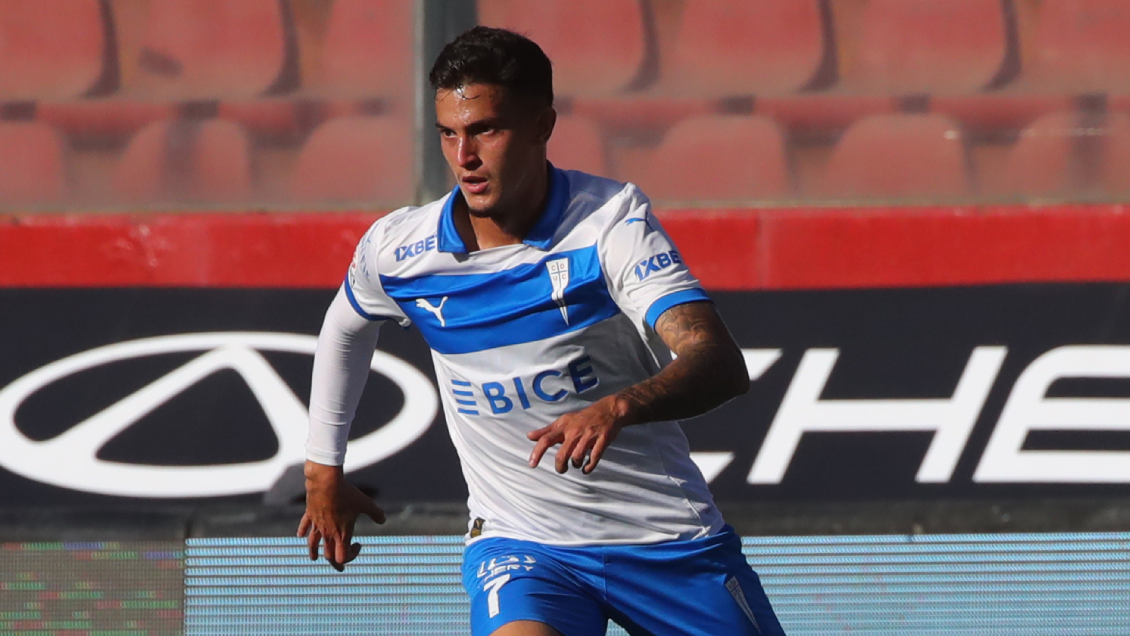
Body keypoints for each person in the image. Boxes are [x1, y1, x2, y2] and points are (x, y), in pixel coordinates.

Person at [297, 26, 786, 636]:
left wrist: (619, 407)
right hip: (522, 544)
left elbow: (719, 362)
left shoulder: (609, 223)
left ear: (541, 126)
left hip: (665, 541)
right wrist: (322, 470)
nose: (464, 157)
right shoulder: (399, 250)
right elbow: (345, 329)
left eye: (486, 131)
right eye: (448, 133)